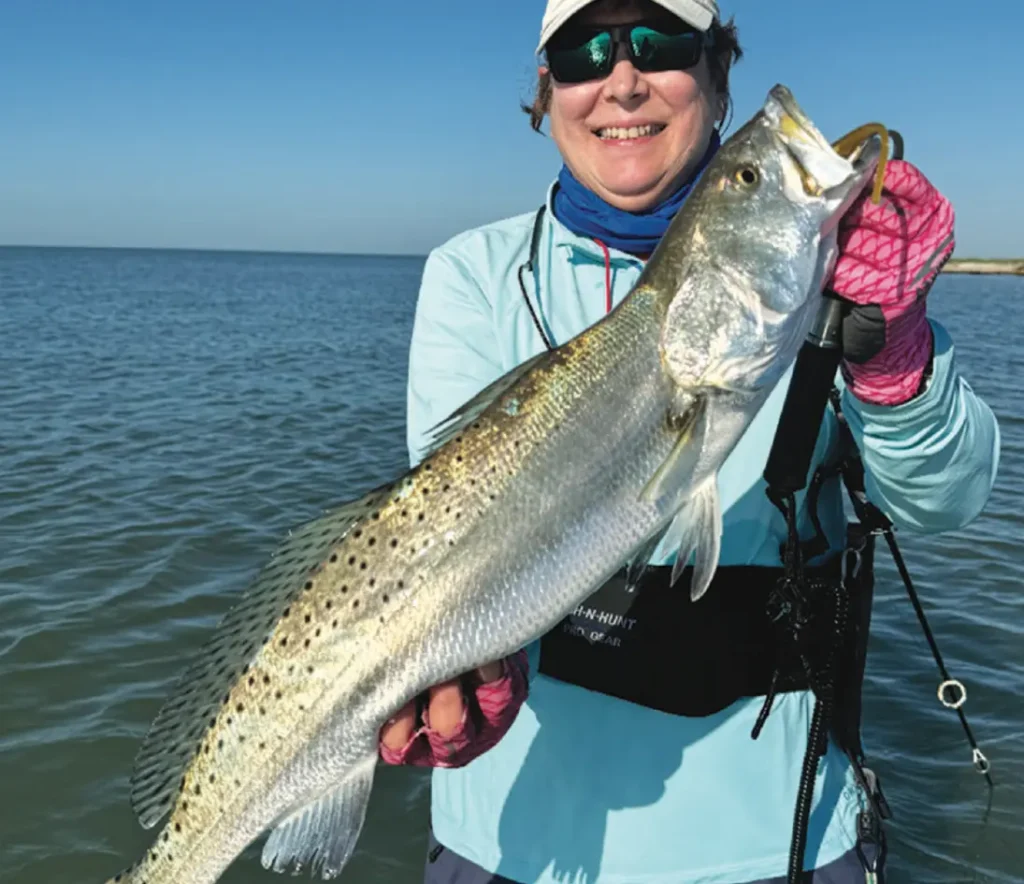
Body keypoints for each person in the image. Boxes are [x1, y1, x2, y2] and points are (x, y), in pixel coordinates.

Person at [380, 1, 1001, 882]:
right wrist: (472, 663)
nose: (622, 79)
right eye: (583, 51)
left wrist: (895, 359)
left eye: (662, 44)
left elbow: (948, 502)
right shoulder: (471, 276)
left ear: (717, 78)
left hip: (779, 836)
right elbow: (456, 538)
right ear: (548, 92)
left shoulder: (834, 275)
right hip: (512, 845)